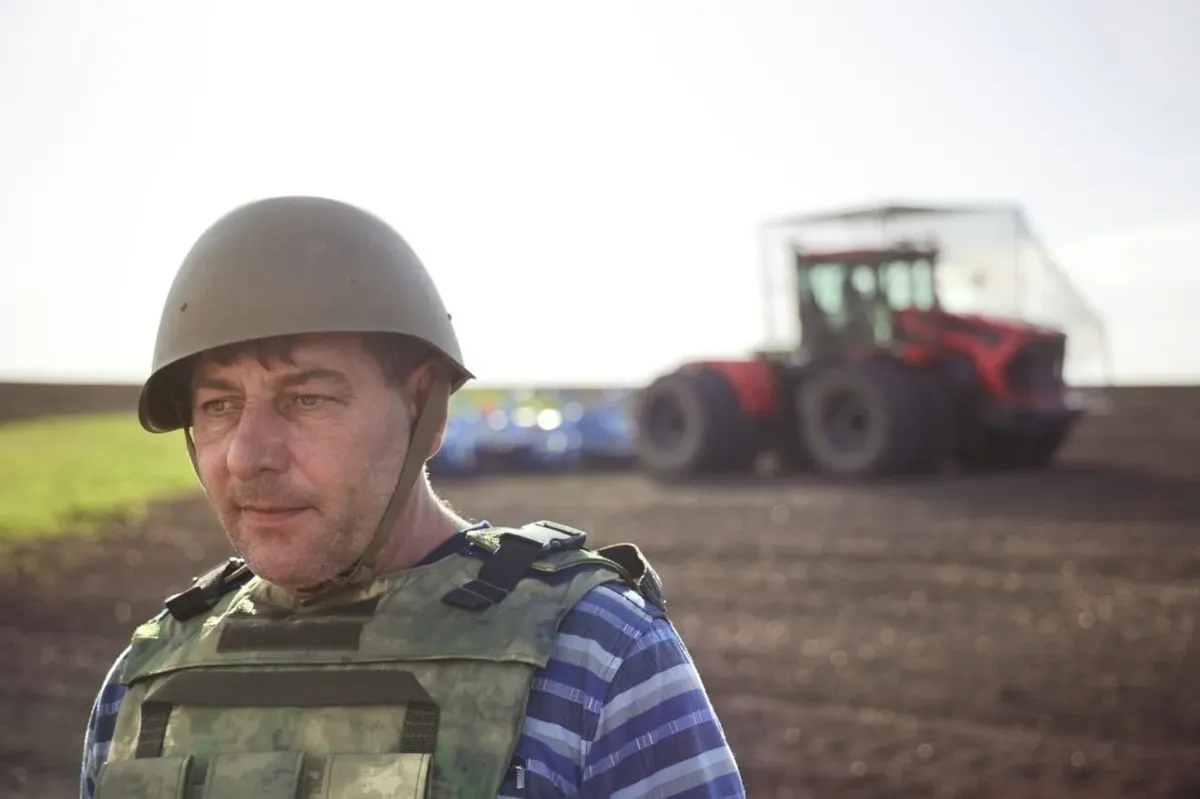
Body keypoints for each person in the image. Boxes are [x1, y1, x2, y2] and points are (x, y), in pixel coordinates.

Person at [79, 196, 746, 798]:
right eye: (219, 405)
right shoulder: (143, 680)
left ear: (424, 408)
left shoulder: (594, 654)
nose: (248, 456)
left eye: (307, 398)